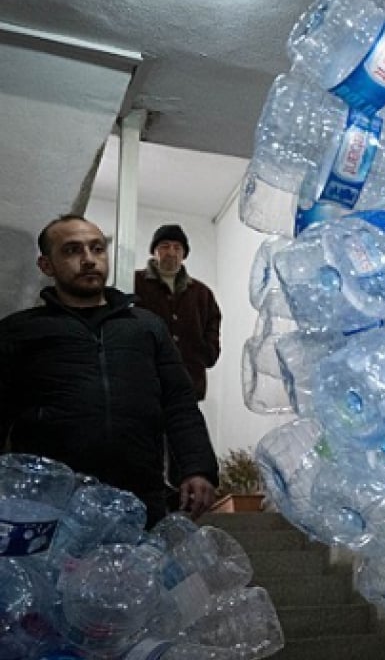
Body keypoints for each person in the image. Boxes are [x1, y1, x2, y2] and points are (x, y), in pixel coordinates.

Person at [0, 215, 218, 527]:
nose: (89, 260)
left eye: (97, 249)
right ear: (46, 265)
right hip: (49, 509)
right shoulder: (18, 331)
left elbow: (179, 404)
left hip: (141, 500)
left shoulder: (146, 327)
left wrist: (197, 468)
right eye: (72, 251)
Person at [133, 224, 222, 401]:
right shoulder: (134, 282)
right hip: (143, 384)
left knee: (185, 428)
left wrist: (207, 353)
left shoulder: (201, 292)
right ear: (154, 251)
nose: (171, 252)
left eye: (177, 247)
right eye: (165, 246)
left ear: (184, 254)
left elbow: (213, 323)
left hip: (189, 385)